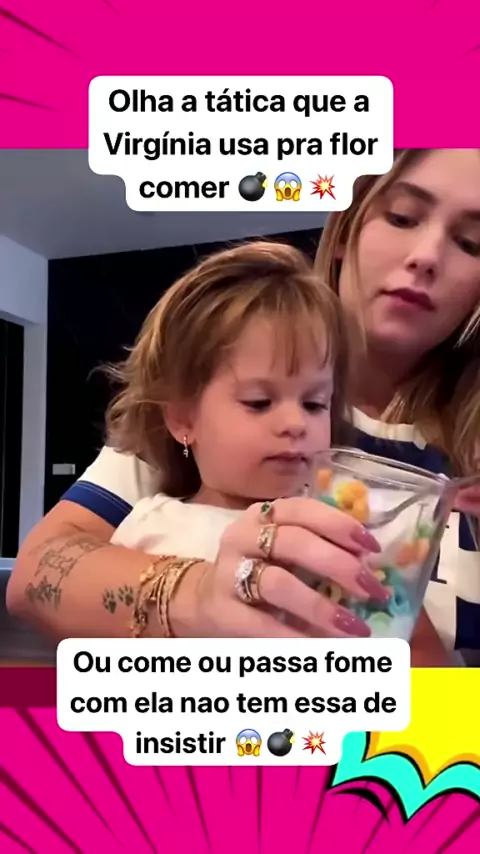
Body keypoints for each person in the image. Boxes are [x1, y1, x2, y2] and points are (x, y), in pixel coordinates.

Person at [10, 148, 478, 661]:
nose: (427, 256)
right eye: (402, 217)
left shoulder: (351, 513)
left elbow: (423, 662)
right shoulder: (168, 487)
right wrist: (197, 598)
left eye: (471, 242)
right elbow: (37, 578)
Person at [8, 241, 390, 642]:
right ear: (182, 419)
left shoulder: (339, 525)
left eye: (314, 404)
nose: (296, 423)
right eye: (258, 402)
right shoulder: (152, 525)